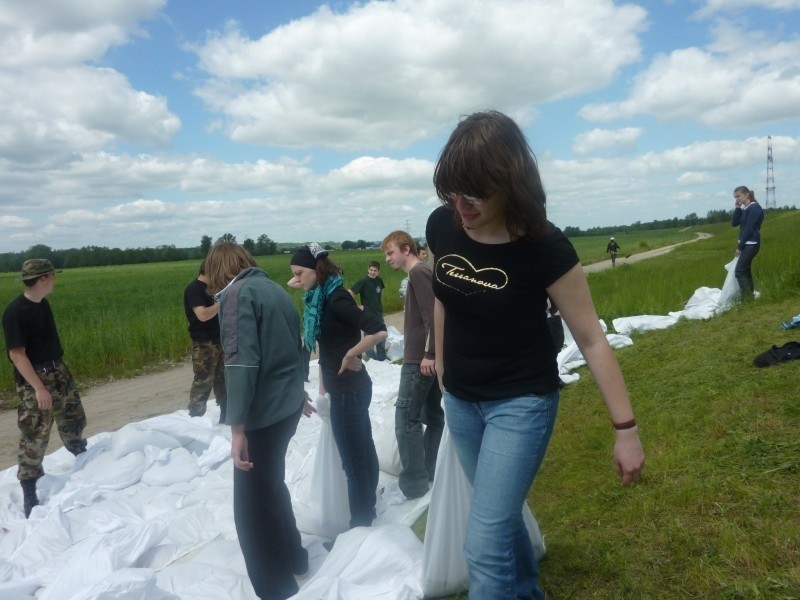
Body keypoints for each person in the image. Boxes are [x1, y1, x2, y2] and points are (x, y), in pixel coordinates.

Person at [426, 110, 645, 599]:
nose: (460, 205)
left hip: (520, 403)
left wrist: (625, 430)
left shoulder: (544, 246)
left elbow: (591, 338)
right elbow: (443, 295)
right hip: (461, 401)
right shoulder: (443, 225)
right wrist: (441, 361)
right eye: (450, 192)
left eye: (474, 194)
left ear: (510, 182)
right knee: (497, 522)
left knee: (482, 543)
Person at [205, 242, 314, 600]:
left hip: (263, 414)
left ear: (218, 270)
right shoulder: (274, 289)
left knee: (251, 509)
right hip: (286, 406)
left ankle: (276, 588)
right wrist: (299, 391)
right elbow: (297, 346)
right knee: (272, 486)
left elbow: (241, 363)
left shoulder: (236, 295)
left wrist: (237, 427)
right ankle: (296, 558)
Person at [289, 243, 388, 529]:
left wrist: (350, 353)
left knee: (353, 463)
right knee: (364, 449)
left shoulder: (336, 301)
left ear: (316, 271)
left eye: (300, 273)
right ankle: (369, 506)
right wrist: (324, 388)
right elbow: (325, 349)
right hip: (347, 388)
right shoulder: (320, 298)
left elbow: (378, 329)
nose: (297, 280)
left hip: (349, 391)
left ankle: (360, 524)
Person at [2, 259, 87, 518]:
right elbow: (17, 355)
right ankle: (29, 491)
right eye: (52, 276)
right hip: (35, 379)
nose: (54, 280)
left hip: (58, 370)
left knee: (74, 418)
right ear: (42, 279)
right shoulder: (15, 313)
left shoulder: (43, 304)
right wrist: (39, 389)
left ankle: (85, 463)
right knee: (35, 434)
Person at [381, 230, 444, 499]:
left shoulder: (419, 273)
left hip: (419, 362)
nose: (387, 259)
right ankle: (429, 472)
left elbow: (434, 318)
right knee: (434, 417)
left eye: (390, 253)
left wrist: (430, 354)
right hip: (424, 360)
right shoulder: (420, 273)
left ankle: (414, 485)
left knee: (406, 420)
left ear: (406, 249)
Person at [183, 259, 227, 421]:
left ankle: (226, 414)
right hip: (204, 343)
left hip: (220, 339)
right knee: (204, 379)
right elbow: (203, 315)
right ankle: (196, 418)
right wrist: (221, 302)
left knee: (223, 378)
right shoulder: (194, 289)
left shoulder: (214, 289)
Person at [349, 260, 386, 361]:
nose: (373, 272)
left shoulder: (379, 280)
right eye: (371, 270)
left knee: (382, 336)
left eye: (375, 270)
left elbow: (381, 291)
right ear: (368, 270)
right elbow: (350, 292)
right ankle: (371, 359)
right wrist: (358, 306)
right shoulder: (363, 281)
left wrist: (378, 302)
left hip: (379, 313)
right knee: (370, 337)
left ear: (378, 271)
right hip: (368, 314)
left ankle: (382, 358)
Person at [731, 186, 764, 299]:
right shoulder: (745, 209)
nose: (737, 199)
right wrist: (737, 208)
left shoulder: (755, 208)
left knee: (739, 271)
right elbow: (734, 223)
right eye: (735, 197)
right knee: (745, 270)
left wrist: (739, 247)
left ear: (746, 194)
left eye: (738, 196)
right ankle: (750, 295)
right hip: (746, 243)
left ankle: (747, 299)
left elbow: (749, 229)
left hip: (751, 244)